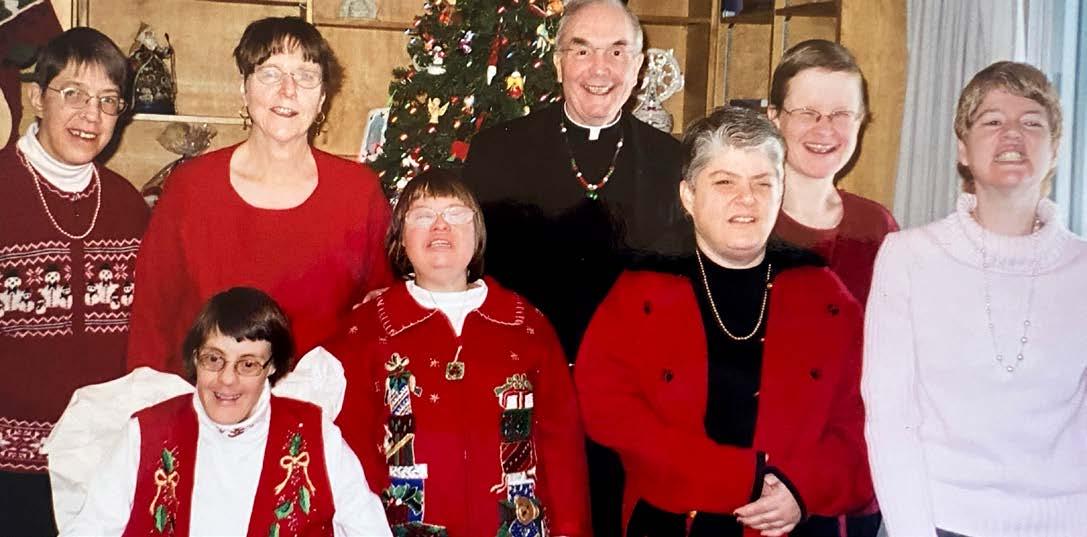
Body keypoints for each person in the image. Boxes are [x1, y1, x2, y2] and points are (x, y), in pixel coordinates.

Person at [575, 106, 873, 537]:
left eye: (762, 183)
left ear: (781, 190)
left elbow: (864, 418)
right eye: (725, 182)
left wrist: (802, 488)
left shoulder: (824, 293)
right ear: (688, 196)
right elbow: (607, 408)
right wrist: (735, 478)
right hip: (676, 521)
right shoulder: (642, 288)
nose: (746, 199)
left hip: (793, 523)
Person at [462, 2, 688, 533]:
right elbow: (473, 275)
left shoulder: (673, 163)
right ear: (558, 61)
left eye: (617, 52)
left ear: (639, 65)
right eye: (581, 51)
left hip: (631, 402)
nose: (599, 69)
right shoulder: (498, 152)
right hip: (522, 391)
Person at [864, 62, 1087, 536]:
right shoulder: (908, 257)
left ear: (1055, 149)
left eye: (1032, 122)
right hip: (937, 522)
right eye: (992, 121)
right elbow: (890, 417)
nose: (1013, 134)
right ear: (963, 150)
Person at [316, 169, 590, 536]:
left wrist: (570, 529)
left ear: (477, 233)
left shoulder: (527, 326)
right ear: (400, 238)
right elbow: (338, 447)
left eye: (456, 214)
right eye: (422, 215)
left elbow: (563, 450)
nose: (440, 226)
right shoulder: (365, 331)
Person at [127, 17, 392, 374]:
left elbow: (384, 312)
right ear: (244, 88)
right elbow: (151, 318)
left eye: (306, 76)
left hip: (321, 403)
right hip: (206, 400)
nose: (288, 90)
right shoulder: (190, 188)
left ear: (322, 98)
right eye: (270, 74)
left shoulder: (359, 192)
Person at [61, 287, 391, 536]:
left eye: (247, 364)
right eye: (214, 359)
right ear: (195, 358)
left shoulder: (316, 435)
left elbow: (369, 528)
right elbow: (91, 528)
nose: (227, 379)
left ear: (271, 367)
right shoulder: (145, 434)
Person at [0, 27, 150, 536]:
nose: (91, 115)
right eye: (74, 94)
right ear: (36, 98)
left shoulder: (129, 205)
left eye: (108, 101)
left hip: (104, 468)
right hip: (10, 474)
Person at [768, 40, 898, 308]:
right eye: (807, 113)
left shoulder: (875, 227)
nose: (825, 129)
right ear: (775, 118)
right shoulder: (745, 219)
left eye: (841, 114)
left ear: (860, 121)